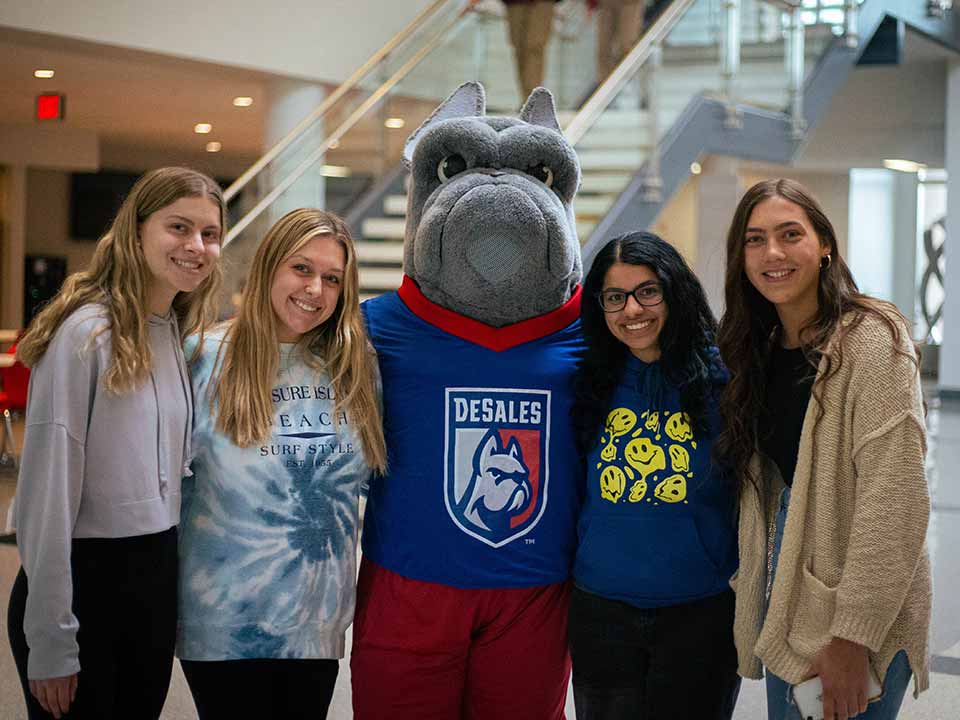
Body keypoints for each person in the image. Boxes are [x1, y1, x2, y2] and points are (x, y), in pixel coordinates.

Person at [6, 167, 224, 720]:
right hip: (85, 580)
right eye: (178, 227)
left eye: (209, 233)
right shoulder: (87, 335)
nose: (195, 246)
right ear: (136, 230)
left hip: (149, 576)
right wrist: (51, 638)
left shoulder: (170, 327)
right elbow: (44, 500)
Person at [717, 178, 931, 720]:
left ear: (825, 245)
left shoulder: (872, 339)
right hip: (791, 602)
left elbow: (896, 497)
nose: (773, 253)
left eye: (791, 234)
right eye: (755, 239)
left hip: (858, 615)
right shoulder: (761, 348)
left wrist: (851, 636)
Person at [176, 208, 386, 720]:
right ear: (270, 266)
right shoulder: (204, 355)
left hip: (315, 625)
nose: (315, 289)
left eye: (332, 278)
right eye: (302, 269)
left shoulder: (355, 366)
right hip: (224, 618)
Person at [568, 231, 740, 719]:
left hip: (699, 611)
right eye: (615, 297)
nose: (632, 310)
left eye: (648, 291)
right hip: (601, 609)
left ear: (674, 291)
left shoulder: (724, 379)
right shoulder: (587, 380)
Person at [502, 0, 561, 99]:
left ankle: (533, 97)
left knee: (535, 47)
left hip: (543, 3)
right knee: (519, 49)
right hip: (515, 3)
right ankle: (527, 98)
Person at [591, 0, 646, 81]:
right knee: (604, 47)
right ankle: (605, 85)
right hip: (606, 4)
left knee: (627, 45)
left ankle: (623, 82)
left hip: (630, 3)